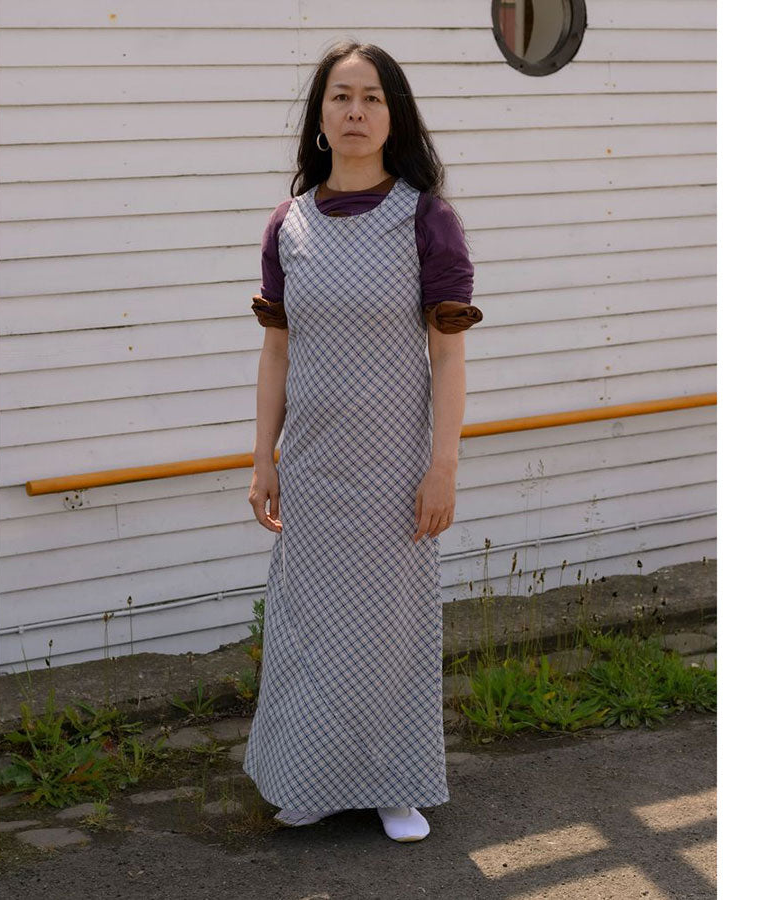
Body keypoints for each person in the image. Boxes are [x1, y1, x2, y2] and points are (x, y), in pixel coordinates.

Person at [242, 41, 483, 844]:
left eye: (373, 98)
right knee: (309, 632)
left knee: (388, 634)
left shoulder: (426, 220)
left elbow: (448, 355)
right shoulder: (289, 226)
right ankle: (307, 780)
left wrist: (442, 467)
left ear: (394, 116)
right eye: (341, 97)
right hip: (312, 472)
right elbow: (277, 352)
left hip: (395, 473)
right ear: (320, 117)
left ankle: (394, 786)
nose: (356, 111)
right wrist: (263, 459)